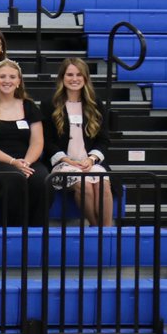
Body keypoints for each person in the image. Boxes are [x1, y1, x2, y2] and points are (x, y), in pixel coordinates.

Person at [0, 60, 49, 227]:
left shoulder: (29, 106)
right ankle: (14, 232)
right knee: (14, 179)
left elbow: (37, 141)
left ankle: (37, 232)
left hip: (27, 160)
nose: (7, 80)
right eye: (2, 76)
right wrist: (13, 162)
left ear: (19, 81)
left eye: (12, 77)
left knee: (42, 179)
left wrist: (26, 163)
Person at [44, 58, 114, 226]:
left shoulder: (95, 104)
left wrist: (91, 159)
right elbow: (47, 141)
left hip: (89, 161)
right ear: (62, 78)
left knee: (102, 182)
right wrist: (68, 160)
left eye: (79, 75)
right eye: (69, 74)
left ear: (85, 78)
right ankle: (95, 227)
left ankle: (106, 232)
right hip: (63, 163)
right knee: (84, 185)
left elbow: (104, 139)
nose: (74, 79)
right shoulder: (49, 104)